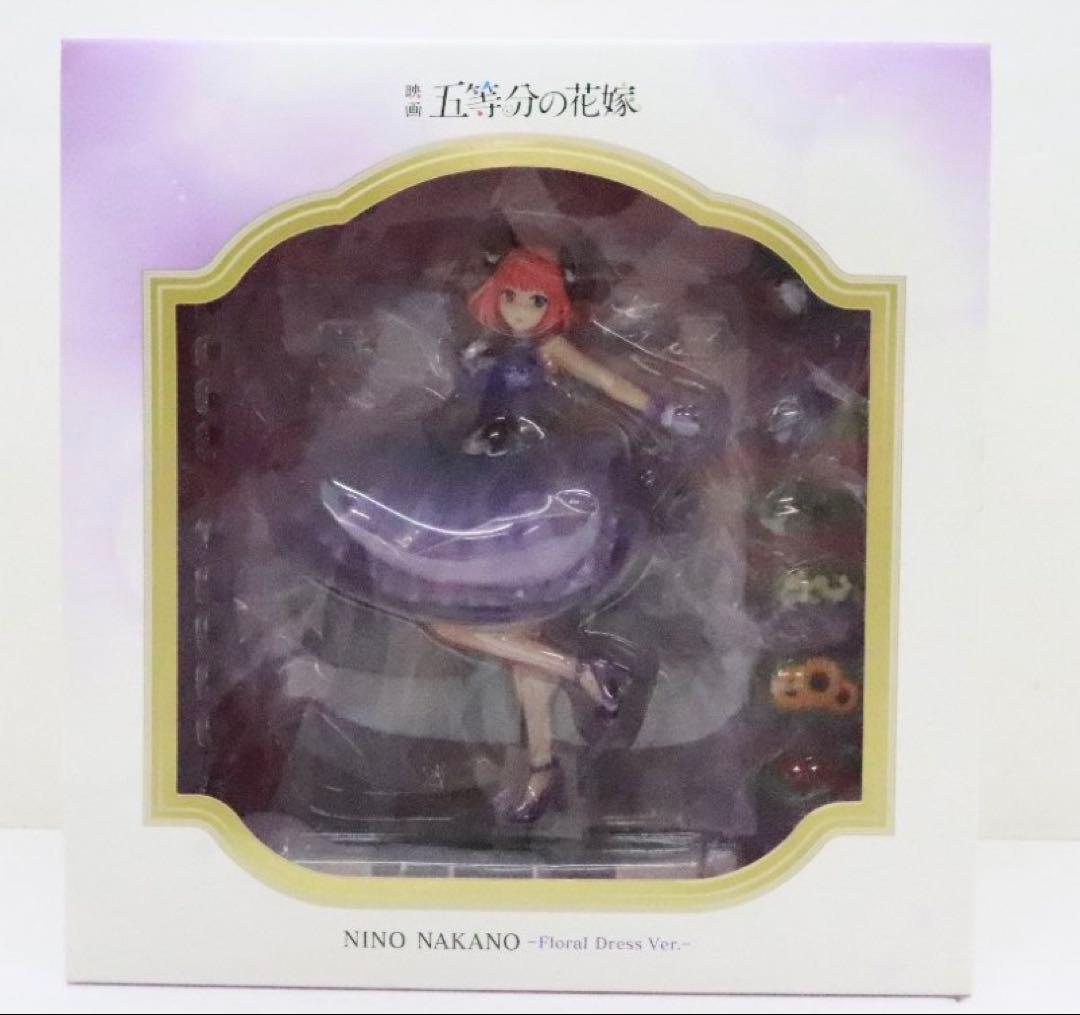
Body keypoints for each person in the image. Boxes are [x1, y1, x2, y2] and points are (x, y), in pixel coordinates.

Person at [309, 245, 701, 822]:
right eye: (511, 296)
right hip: (473, 479)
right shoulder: (478, 347)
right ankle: (544, 763)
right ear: (493, 296)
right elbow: (456, 405)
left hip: (527, 489)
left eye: (535, 300)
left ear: (554, 306)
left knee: (443, 620)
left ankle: (581, 673)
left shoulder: (550, 349)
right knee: (522, 647)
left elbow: (606, 381)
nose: (520, 310)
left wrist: (664, 411)